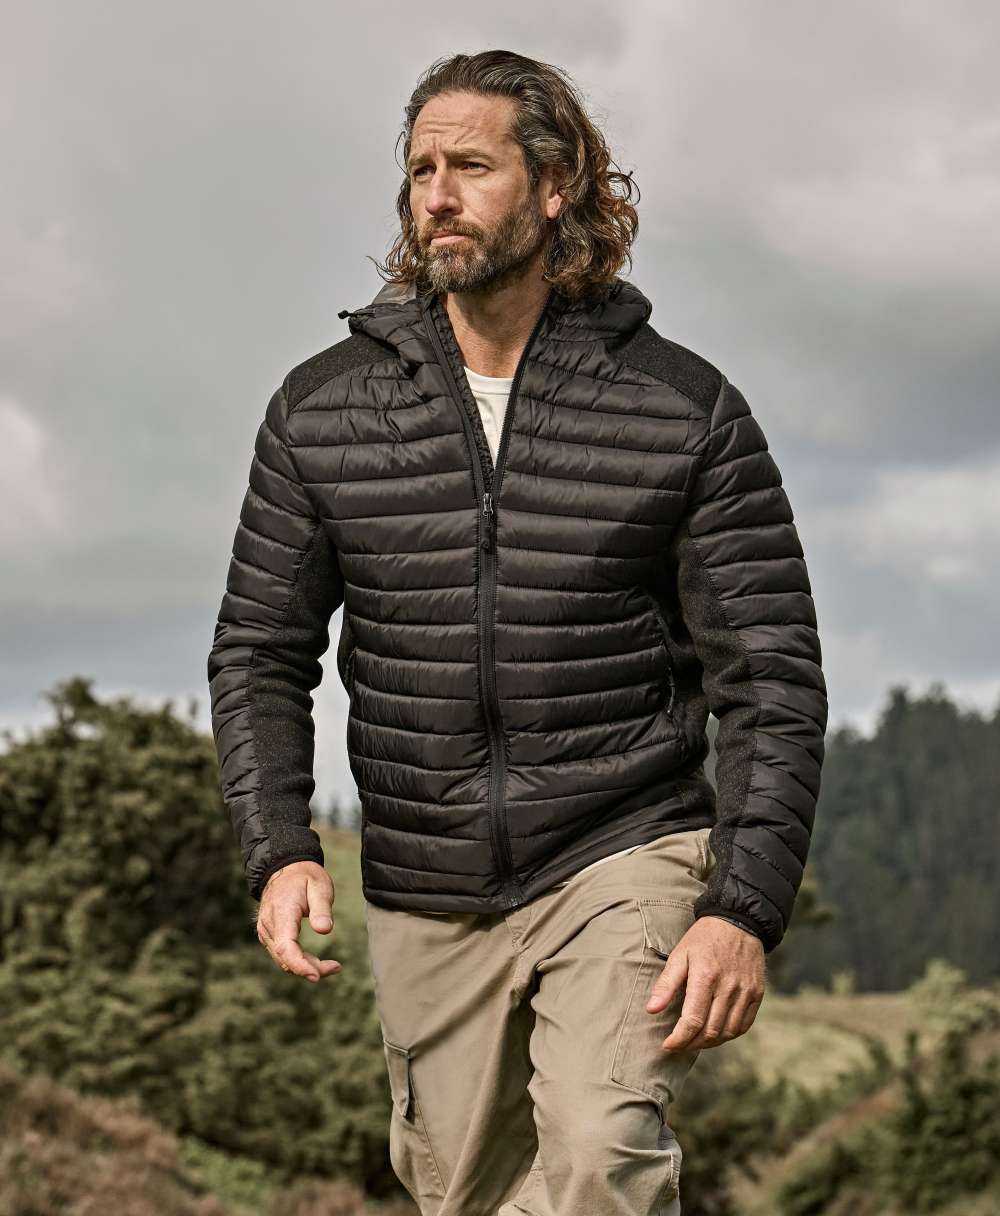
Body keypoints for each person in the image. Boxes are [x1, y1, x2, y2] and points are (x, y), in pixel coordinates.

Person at [207, 49, 828, 1216]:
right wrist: (279, 843)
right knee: (463, 1195)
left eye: (471, 166)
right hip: (423, 873)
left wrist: (740, 908)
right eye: (420, 170)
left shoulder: (681, 409)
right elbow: (258, 650)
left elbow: (770, 678)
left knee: (599, 1152)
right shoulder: (320, 411)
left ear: (553, 189)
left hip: (620, 844)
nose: (437, 195)